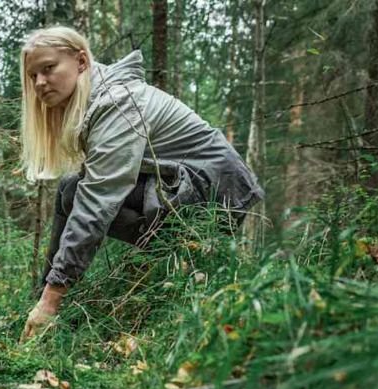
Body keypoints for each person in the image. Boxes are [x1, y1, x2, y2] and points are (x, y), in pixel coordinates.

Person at [18, 26, 264, 342]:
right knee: (70, 188)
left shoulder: (115, 104)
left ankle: (54, 303)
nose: (39, 82)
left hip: (213, 196)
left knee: (80, 195)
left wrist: (52, 299)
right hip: (185, 189)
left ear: (81, 62)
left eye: (48, 68)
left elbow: (97, 202)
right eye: (33, 75)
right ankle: (46, 299)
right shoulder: (97, 99)